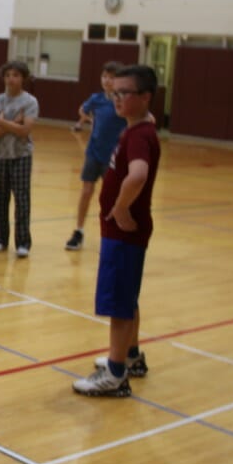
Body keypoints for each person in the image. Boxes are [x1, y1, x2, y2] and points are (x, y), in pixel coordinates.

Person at [73, 65, 161, 397]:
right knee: (128, 297)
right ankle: (131, 355)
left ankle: (115, 373)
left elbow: (137, 175)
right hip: (123, 234)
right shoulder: (137, 129)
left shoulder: (139, 136)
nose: (117, 98)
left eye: (124, 93)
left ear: (145, 97)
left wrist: (121, 208)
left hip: (123, 233)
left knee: (119, 305)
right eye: (115, 92)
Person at [66, 61, 125, 251]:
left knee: (110, 196)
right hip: (93, 152)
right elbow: (82, 110)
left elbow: (145, 118)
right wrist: (90, 119)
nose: (107, 80)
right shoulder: (96, 98)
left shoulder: (123, 101)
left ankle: (112, 233)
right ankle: (78, 231)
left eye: (112, 77)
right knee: (86, 192)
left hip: (113, 156)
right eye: (104, 76)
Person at [0, 60, 39, 257]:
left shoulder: (30, 102)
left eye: (16, 75)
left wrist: (2, 121)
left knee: (22, 199)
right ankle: (1, 239)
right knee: (0, 199)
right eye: (8, 75)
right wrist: (13, 122)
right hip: (1, 155)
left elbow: (25, 130)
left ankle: (23, 243)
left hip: (21, 155)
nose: (11, 79)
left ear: (23, 78)